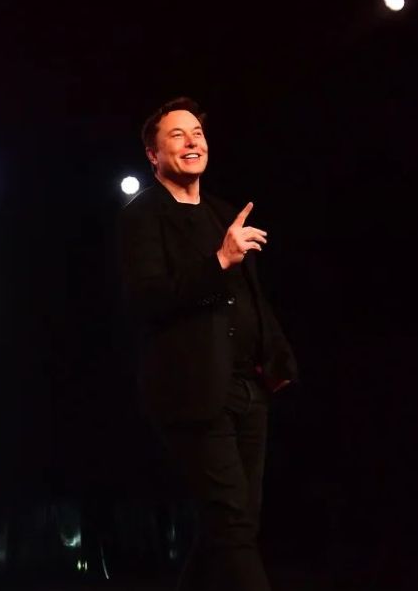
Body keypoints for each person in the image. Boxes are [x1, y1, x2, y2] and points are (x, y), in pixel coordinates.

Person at [117, 97, 298, 591]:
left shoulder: (224, 213)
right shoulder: (143, 217)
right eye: (177, 134)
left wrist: (276, 359)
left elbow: (253, 300)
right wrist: (218, 261)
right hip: (193, 392)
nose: (192, 141)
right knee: (233, 524)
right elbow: (148, 299)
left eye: (197, 132)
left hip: (247, 389)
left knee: (232, 526)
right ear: (153, 156)